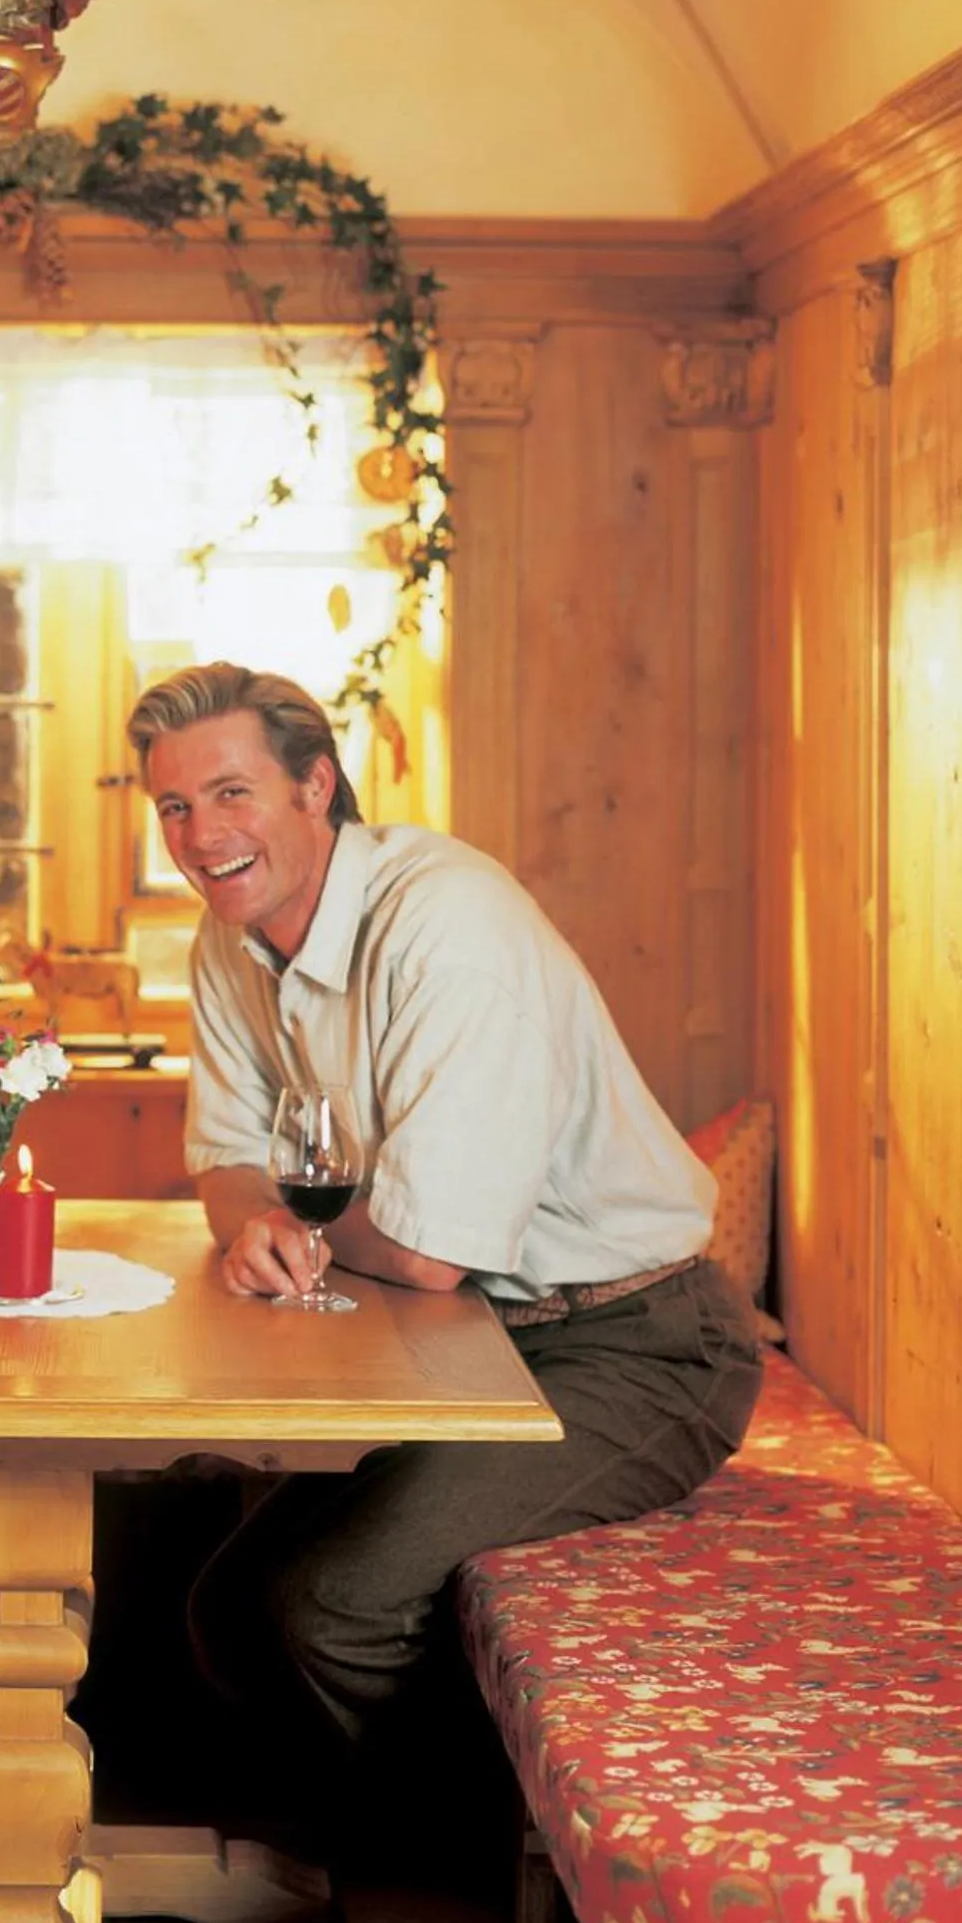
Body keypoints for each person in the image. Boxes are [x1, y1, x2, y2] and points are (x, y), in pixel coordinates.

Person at [125, 662, 761, 1819]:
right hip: (455, 1337)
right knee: (215, 1595)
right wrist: (257, 1219)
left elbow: (428, 1255)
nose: (200, 835)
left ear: (317, 785)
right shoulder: (229, 939)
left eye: (231, 793)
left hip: (636, 1341)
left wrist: (298, 1222)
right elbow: (221, 1159)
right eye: (172, 806)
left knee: (330, 1598)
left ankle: (468, 1869)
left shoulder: (445, 924)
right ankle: (301, 1846)